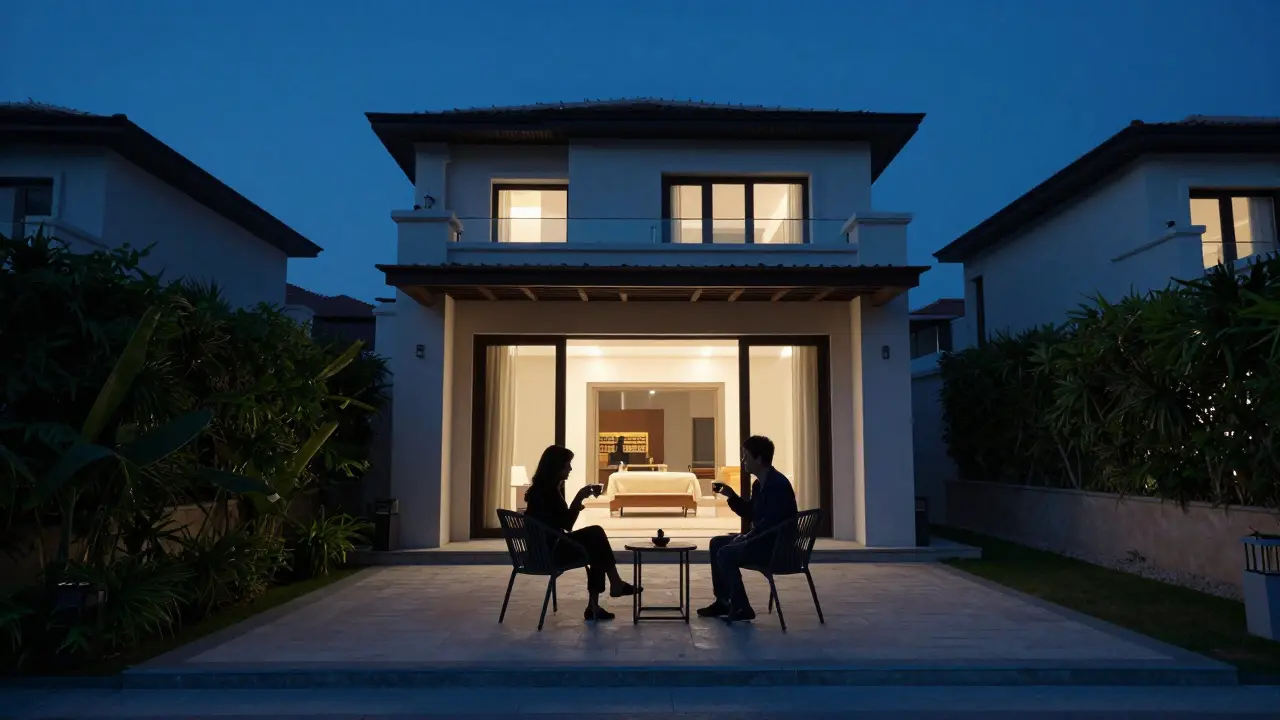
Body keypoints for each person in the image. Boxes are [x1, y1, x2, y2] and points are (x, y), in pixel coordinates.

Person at [522, 444, 639, 621]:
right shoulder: (547, 493)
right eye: (567, 464)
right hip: (551, 552)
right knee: (596, 537)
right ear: (556, 466)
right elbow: (567, 524)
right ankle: (608, 590)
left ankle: (606, 594)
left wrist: (578, 498)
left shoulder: (539, 491)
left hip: (543, 549)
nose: (570, 468)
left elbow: (559, 524)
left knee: (595, 541)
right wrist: (579, 497)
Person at [697, 435, 798, 623]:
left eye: (745, 457)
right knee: (717, 543)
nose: (743, 461)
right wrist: (731, 495)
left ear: (758, 459)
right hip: (763, 541)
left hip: (776, 548)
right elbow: (751, 512)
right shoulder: (759, 484)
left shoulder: (778, 485)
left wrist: (746, 537)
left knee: (726, 553)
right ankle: (723, 601)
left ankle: (742, 606)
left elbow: (771, 523)